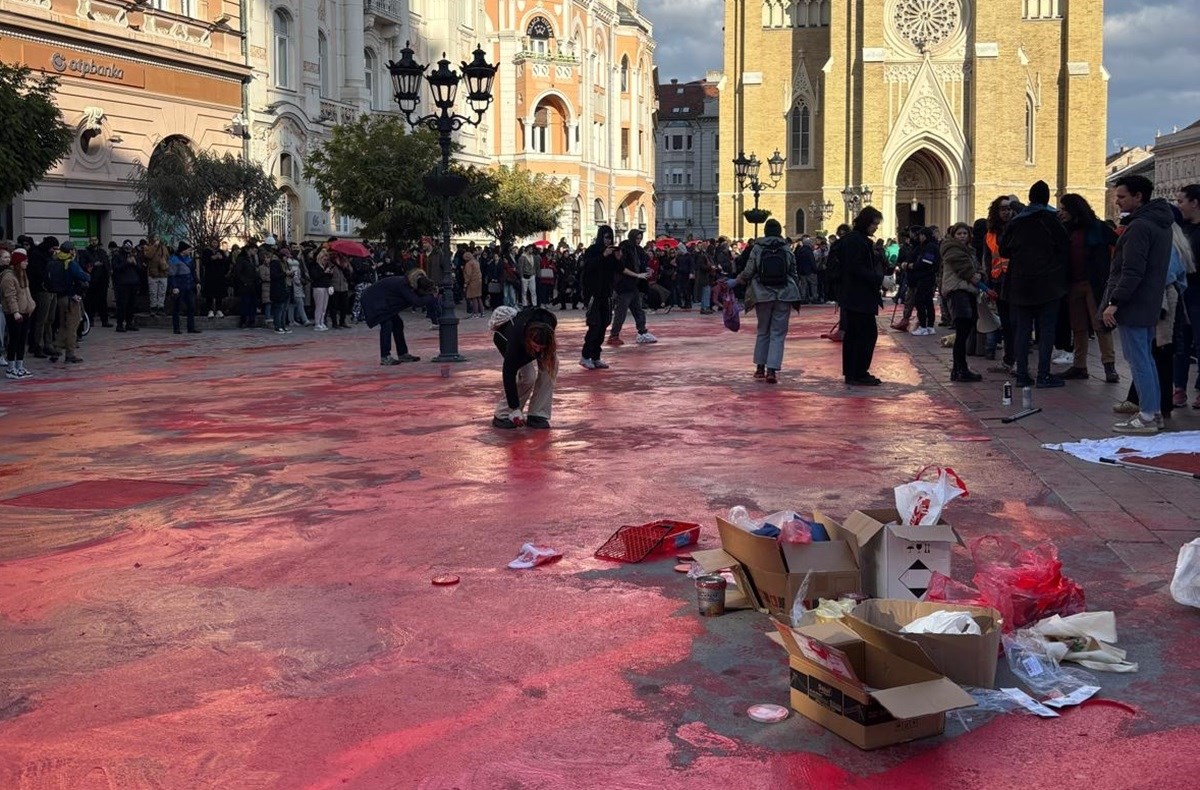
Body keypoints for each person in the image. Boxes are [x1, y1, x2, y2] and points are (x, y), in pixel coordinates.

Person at [1102, 175, 1175, 434]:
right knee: (1146, 358)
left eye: (1122, 196)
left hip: (1134, 302)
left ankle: (1146, 415)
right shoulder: (1161, 223)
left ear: (1138, 196)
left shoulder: (1140, 226)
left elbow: (1132, 270)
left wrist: (1114, 302)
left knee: (1138, 359)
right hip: (1149, 300)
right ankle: (1153, 412)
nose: (1117, 201)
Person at [1000, 180, 1071, 388]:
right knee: (1046, 329)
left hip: (1020, 283)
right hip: (1048, 284)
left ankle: (1022, 374)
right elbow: (1064, 246)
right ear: (1047, 198)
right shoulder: (1052, 220)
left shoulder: (1017, 221)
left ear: (1030, 197)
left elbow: (1004, 250)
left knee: (1022, 329)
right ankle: (1043, 374)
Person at [1057, 194, 1119, 383]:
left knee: (1100, 324)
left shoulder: (1098, 228)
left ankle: (1109, 366)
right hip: (1073, 283)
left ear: (1074, 210)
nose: (1061, 213)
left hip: (1094, 283)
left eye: (1064, 209)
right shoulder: (1065, 229)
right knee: (1078, 326)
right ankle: (1079, 365)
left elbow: (1119, 245)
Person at [731, 218, 800, 384]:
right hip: (784, 293)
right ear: (779, 232)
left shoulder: (758, 248)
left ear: (765, 231)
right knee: (778, 333)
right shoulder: (786, 248)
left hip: (762, 293)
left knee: (763, 330)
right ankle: (772, 370)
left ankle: (760, 368)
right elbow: (793, 271)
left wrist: (736, 281)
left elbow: (748, 271)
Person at [837, 207, 886, 385]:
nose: (875, 228)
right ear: (866, 222)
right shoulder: (857, 241)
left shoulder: (854, 240)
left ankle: (853, 372)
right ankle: (858, 372)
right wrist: (879, 279)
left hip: (855, 295)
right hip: (859, 296)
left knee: (855, 334)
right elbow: (857, 268)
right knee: (865, 334)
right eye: (874, 224)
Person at [491, 306, 559, 429]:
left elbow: (544, 347)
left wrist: (542, 350)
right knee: (528, 377)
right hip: (507, 339)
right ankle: (503, 414)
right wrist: (515, 407)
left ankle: (537, 414)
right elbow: (508, 375)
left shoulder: (549, 323)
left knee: (551, 367)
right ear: (529, 340)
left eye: (541, 347)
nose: (538, 350)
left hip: (533, 338)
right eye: (535, 346)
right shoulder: (515, 341)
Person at [940, 223, 986, 382]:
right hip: (958, 291)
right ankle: (961, 369)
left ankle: (957, 369)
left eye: (964, 233)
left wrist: (979, 275)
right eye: (959, 233)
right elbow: (965, 270)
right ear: (953, 236)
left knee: (964, 332)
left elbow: (978, 268)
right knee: (962, 330)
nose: (962, 236)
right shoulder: (952, 250)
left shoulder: (969, 250)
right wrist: (978, 279)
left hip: (967, 291)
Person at [1172, 184, 1200, 409]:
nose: (1178, 205)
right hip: (1183, 291)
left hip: (1198, 292)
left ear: (1195, 203)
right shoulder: (1183, 229)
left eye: (1181, 201)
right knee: (1180, 342)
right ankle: (1179, 388)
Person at [579, 225, 620, 369]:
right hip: (593, 293)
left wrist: (617, 258)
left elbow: (617, 270)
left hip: (606, 293)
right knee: (594, 324)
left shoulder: (611, 254)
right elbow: (588, 266)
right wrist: (603, 255)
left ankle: (596, 356)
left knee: (604, 324)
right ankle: (585, 356)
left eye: (610, 237)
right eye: (606, 237)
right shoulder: (592, 251)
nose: (608, 241)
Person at [608, 229, 657, 346]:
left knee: (637, 309)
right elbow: (622, 268)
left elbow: (642, 264)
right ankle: (614, 335)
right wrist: (638, 275)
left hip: (633, 285)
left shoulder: (638, 250)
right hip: (624, 285)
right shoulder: (625, 248)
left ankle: (642, 332)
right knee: (621, 311)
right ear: (632, 237)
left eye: (640, 238)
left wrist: (646, 270)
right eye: (637, 238)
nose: (639, 241)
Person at [360, 275, 422, 366]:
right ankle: (385, 356)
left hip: (381, 300)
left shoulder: (404, 283)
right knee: (387, 324)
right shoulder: (403, 285)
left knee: (397, 324)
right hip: (375, 301)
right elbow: (415, 301)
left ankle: (402, 353)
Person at [47, 241, 89, 363]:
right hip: (71, 297)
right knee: (72, 326)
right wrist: (87, 276)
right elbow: (83, 276)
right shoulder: (70, 263)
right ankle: (70, 353)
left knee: (62, 325)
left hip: (59, 298)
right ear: (70, 251)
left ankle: (56, 349)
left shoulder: (54, 262)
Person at [1, 248, 36, 379]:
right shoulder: (9, 277)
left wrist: (31, 305)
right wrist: (15, 312)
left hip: (25, 311)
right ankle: (11, 368)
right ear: (18, 262)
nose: (27, 263)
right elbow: (10, 296)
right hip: (14, 313)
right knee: (14, 340)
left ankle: (19, 365)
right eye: (24, 261)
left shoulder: (23, 274)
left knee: (22, 340)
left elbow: (27, 293)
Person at [907, 227, 940, 335]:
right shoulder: (929, 246)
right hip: (928, 277)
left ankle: (923, 326)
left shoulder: (930, 247)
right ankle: (930, 326)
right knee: (928, 301)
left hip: (926, 277)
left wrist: (913, 265)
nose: (919, 238)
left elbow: (927, 262)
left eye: (921, 235)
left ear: (924, 236)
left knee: (919, 300)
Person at [167, 242, 201, 335]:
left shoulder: (189, 259)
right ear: (183, 250)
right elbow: (172, 275)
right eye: (188, 249)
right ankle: (176, 328)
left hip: (189, 286)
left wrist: (197, 282)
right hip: (179, 285)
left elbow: (193, 272)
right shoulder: (174, 259)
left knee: (191, 307)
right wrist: (174, 287)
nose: (190, 251)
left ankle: (191, 327)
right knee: (177, 308)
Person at [111, 241, 141, 332]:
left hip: (133, 283)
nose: (128, 249)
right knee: (122, 305)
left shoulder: (133, 256)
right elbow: (116, 268)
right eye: (127, 247)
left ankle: (129, 323)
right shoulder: (117, 256)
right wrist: (127, 263)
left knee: (131, 305)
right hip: (122, 284)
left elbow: (140, 269)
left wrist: (135, 263)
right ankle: (120, 324)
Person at [144, 236, 169, 315]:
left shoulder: (164, 248)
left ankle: (160, 307)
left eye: (158, 238)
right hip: (152, 274)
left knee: (162, 292)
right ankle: (153, 307)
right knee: (153, 292)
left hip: (163, 273)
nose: (157, 240)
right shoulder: (148, 247)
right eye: (155, 238)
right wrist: (154, 246)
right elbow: (148, 256)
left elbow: (168, 257)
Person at [463, 250, 484, 317]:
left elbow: (468, 275)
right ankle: (482, 312)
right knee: (478, 297)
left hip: (472, 282)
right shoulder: (476, 262)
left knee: (473, 297)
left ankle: (475, 313)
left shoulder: (468, 264)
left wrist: (466, 283)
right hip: (479, 281)